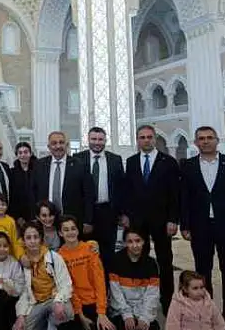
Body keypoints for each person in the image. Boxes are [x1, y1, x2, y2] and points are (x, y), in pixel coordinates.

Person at [180, 126, 225, 316]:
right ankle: (207, 311)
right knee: (202, 271)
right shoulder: (188, 166)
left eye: (209, 137)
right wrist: (185, 225)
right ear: (195, 142)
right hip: (200, 227)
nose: (205, 141)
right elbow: (184, 198)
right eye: (201, 138)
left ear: (217, 140)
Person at [123, 125, 179, 315]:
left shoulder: (168, 162)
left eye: (149, 137)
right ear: (137, 140)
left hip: (162, 220)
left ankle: (167, 300)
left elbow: (174, 194)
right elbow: (128, 191)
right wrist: (127, 215)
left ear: (154, 139)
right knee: (138, 258)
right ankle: (139, 298)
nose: (146, 140)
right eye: (142, 137)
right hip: (138, 222)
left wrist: (173, 219)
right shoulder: (131, 162)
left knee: (165, 260)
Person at [56, 215, 118, 330]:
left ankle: (97, 322)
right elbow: (68, 286)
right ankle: (85, 324)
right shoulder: (59, 256)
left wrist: (101, 312)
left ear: (78, 230)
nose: (70, 232)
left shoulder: (90, 248)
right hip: (76, 304)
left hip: (94, 302)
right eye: (66, 230)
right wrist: (80, 314)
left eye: (73, 228)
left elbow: (100, 282)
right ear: (60, 233)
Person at [12, 222, 73, 330]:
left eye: (36, 237)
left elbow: (66, 283)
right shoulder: (22, 262)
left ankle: (52, 317)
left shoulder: (53, 257)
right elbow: (24, 292)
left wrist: (59, 301)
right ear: (23, 241)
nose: (32, 241)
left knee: (67, 313)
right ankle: (43, 321)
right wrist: (21, 315)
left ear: (41, 238)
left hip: (53, 298)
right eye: (28, 238)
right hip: (36, 302)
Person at [74, 127, 125, 271]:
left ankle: (106, 282)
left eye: (100, 139)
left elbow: (121, 188)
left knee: (107, 252)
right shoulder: (78, 158)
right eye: (94, 139)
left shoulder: (115, 159)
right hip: (85, 214)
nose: (97, 142)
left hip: (108, 212)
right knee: (85, 251)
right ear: (88, 140)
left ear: (105, 140)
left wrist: (122, 213)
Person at [31, 131, 95, 237]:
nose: (58, 146)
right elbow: (33, 192)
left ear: (67, 145)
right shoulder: (39, 165)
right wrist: (34, 216)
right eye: (54, 143)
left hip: (72, 222)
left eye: (61, 142)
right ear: (49, 147)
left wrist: (88, 220)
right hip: (46, 221)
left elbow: (89, 195)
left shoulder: (80, 165)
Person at [108, 229, 162, 330]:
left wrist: (145, 317)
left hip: (141, 308)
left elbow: (152, 294)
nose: (135, 245)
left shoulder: (151, 263)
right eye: (130, 241)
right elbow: (115, 292)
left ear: (144, 241)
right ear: (125, 243)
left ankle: (139, 326)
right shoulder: (116, 260)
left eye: (138, 241)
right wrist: (127, 315)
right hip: (122, 309)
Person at [10, 142, 37, 225]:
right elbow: (12, 196)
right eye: (20, 153)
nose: (23, 155)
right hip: (19, 216)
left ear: (30, 153)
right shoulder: (12, 172)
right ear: (17, 155)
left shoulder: (38, 170)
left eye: (26, 152)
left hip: (36, 215)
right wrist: (17, 216)